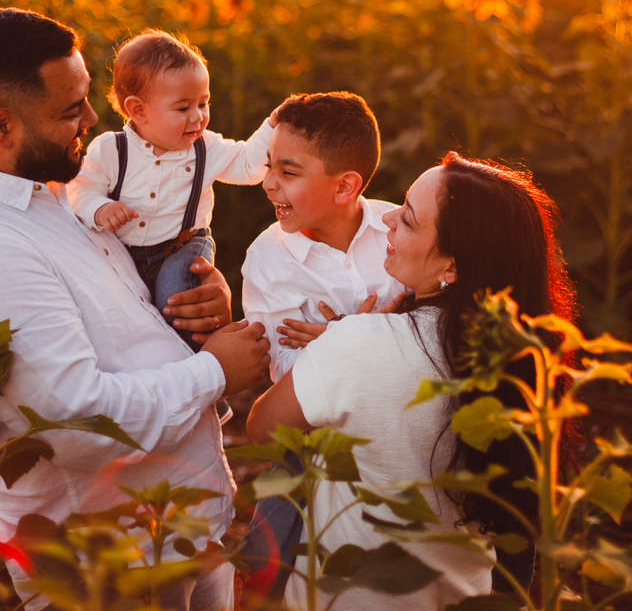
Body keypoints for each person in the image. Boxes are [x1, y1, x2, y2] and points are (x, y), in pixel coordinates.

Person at [0, 8, 271, 611]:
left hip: (171, 533)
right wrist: (215, 371)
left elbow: (125, 312)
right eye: (69, 109)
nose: (92, 118)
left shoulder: (53, 186)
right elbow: (74, 424)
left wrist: (200, 303)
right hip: (109, 564)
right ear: (1, 126)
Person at [246, 152, 577, 610]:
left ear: (453, 267)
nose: (387, 223)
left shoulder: (359, 343)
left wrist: (335, 342)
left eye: (409, 221)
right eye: (400, 206)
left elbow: (263, 427)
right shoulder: (524, 363)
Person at [237, 91, 406, 599]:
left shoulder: (400, 229)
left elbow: (433, 321)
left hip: (405, 420)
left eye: (288, 171)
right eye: (269, 166)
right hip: (317, 434)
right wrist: (369, 332)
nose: (268, 182)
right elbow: (286, 369)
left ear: (345, 186)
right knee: (268, 553)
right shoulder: (269, 259)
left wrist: (343, 337)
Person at [68, 30, 276, 348]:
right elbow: (80, 188)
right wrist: (100, 207)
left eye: (203, 103)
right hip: (124, 253)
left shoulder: (206, 148)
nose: (198, 117)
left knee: (176, 301)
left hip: (182, 247)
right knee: (116, 315)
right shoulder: (112, 149)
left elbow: (249, 166)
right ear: (138, 110)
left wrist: (271, 127)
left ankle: (200, 366)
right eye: (183, 108)